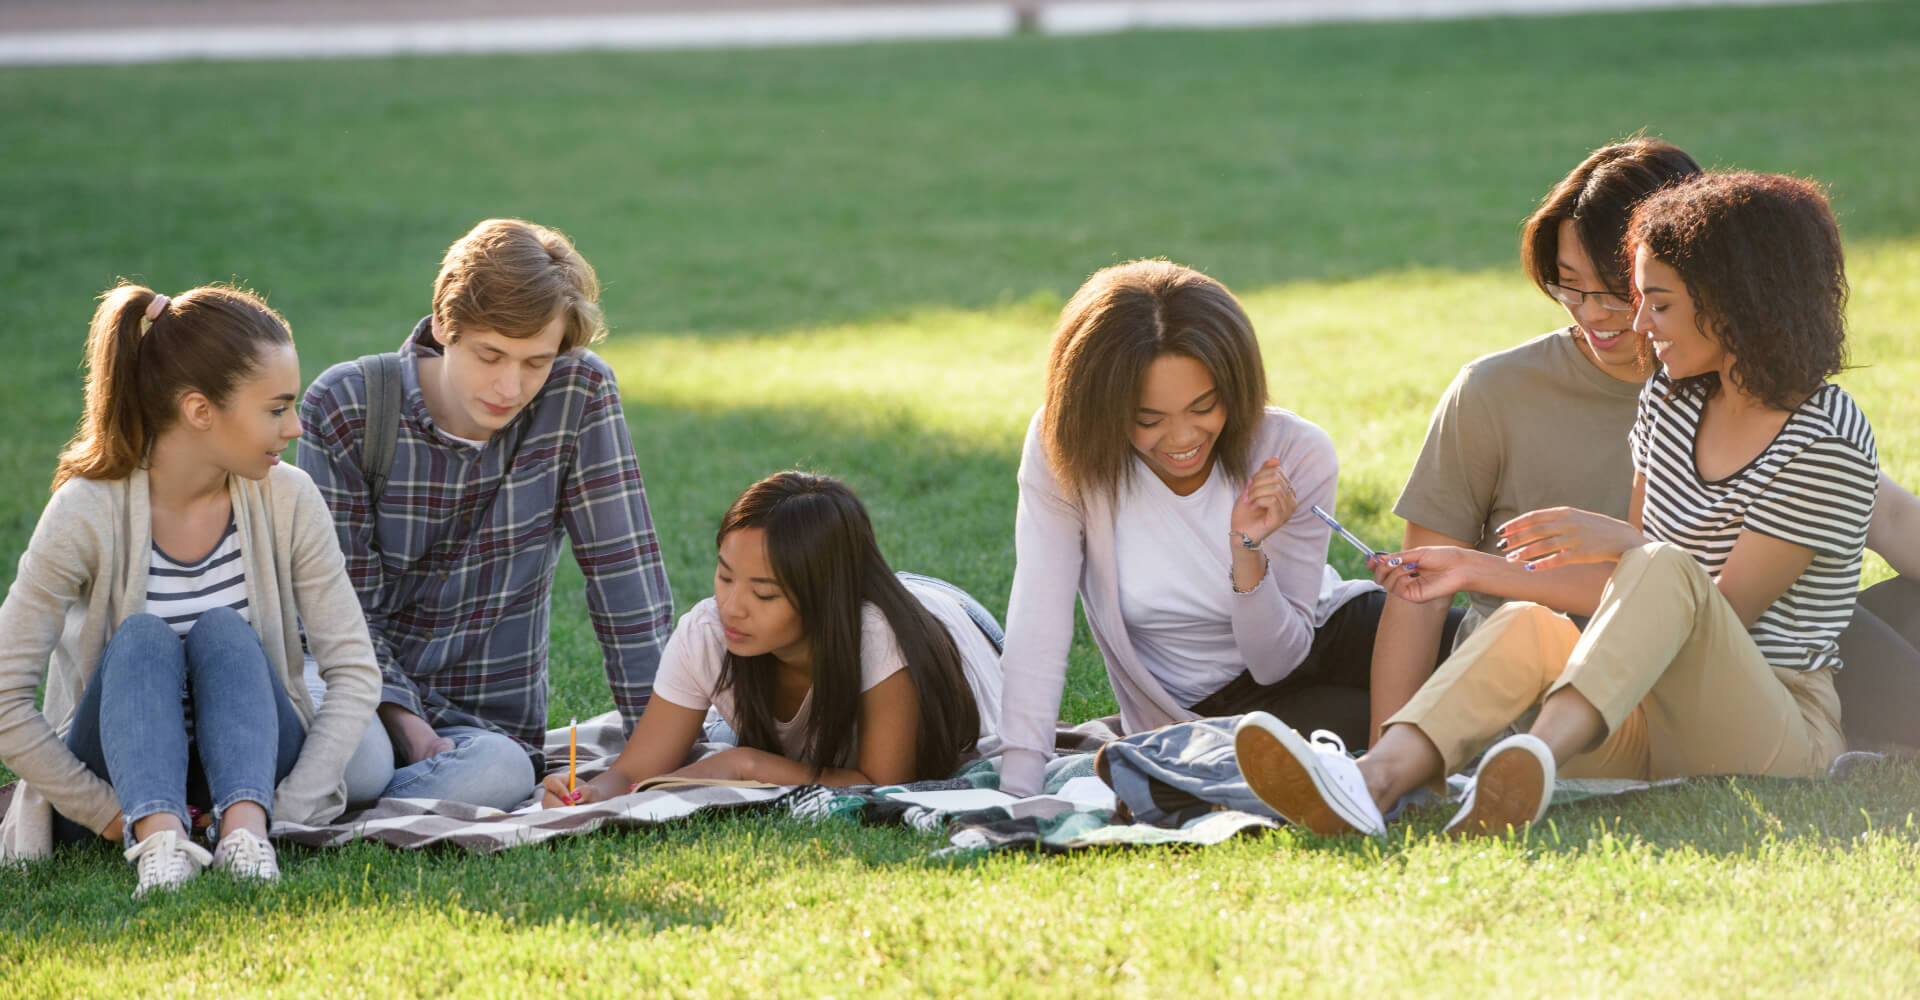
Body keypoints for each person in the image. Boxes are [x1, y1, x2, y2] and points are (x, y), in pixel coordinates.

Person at [1237, 172, 1876, 837]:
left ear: (1732, 304)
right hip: (1647, 714)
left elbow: (1716, 608)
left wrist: (1630, 548)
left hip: (1773, 730)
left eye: (1657, 304)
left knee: (1655, 565)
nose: (1637, 324)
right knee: (1524, 624)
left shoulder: (1825, 437)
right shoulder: (1670, 400)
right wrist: (1472, 568)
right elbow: (1632, 598)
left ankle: (1533, 760)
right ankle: (1373, 782)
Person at [995, 259, 1454, 799]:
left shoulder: (1294, 450)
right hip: (1214, 708)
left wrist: (1248, 552)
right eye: (1148, 419)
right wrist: (1018, 789)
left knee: (1486, 652)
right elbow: (1038, 624)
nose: (1182, 437)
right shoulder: (1065, 450)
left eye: (1204, 406)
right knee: (1414, 729)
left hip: (1321, 632)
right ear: (1101, 406)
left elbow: (1283, 654)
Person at [0, 284, 380, 896]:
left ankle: (246, 839)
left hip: (258, 776)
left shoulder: (289, 498)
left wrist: (291, 805)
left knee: (225, 634)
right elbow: (4, 697)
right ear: (201, 410)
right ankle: (158, 841)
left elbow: (355, 670)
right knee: (144, 638)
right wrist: (106, 814)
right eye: (277, 408)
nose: (297, 428)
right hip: (117, 790)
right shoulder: (85, 512)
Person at [298, 219, 674, 810]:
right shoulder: (346, 404)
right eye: (490, 354)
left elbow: (625, 578)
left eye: (535, 361)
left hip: (482, 725)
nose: (510, 385)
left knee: (501, 775)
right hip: (354, 688)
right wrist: (407, 725)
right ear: (444, 324)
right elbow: (336, 609)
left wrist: (660, 750)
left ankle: (323, 806)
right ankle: (359, 796)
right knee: (362, 761)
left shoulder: (580, 394)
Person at [1369, 138, 1703, 739]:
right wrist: (1384, 757)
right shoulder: (1493, 392)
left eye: (1616, 292)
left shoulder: (1737, 396)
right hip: (1510, 701)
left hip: (1670, 699)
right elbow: (1418, 591)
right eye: (1569, 286)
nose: (1593, 314)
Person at [543, 471, 1001, 804]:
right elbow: (634, 772)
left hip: (957, 619)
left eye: (764, 593)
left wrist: (748, 765)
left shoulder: (880, 639)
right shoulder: (708, 631)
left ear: (825, 598)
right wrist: (589, 792)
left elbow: (882, 785)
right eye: (725, 577)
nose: (732, 606)